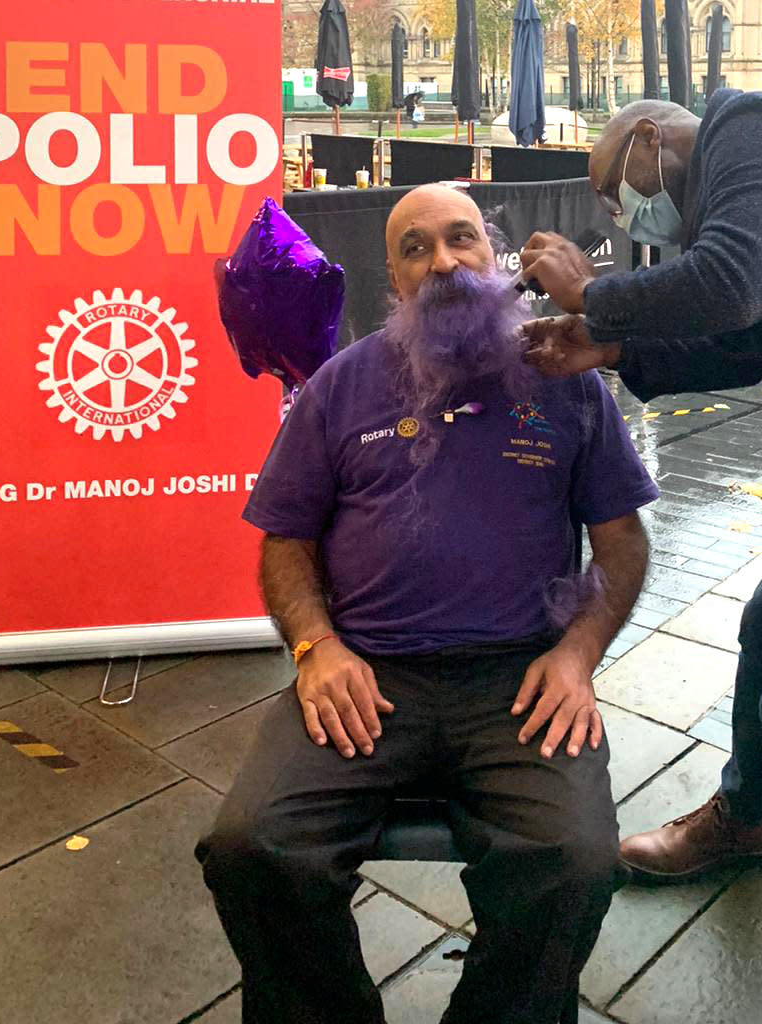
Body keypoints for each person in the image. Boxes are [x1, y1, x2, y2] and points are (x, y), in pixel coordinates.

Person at [195, 183, 658, 1024]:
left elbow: (622, 546)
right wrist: (314, 649)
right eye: (417, 248)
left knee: (576, 860)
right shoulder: (341, 386)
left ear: (493, 255)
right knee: (252, 849)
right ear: (395, 278)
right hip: (365, 675)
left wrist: (577, 655)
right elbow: (285, 543)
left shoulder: (565, 380)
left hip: (518, 680)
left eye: (460, 239)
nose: (443, 261)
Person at [519, 89, 762, 882]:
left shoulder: (743, 120)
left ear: (649, 138)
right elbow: (746, 344)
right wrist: (611, 348)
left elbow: (727, 284)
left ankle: (748, 819)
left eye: (610, 187)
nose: (620, 212)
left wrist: (591, 293)